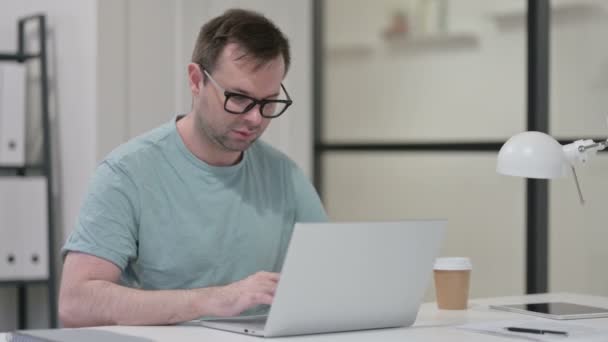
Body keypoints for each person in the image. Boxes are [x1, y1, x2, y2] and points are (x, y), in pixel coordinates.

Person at [58, 8, 327, 327]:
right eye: (239, 98)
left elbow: (331, 275)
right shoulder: (127, 173)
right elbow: (75, 303)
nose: (256, 118)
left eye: (269, 102)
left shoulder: (285, 176)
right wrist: (213, 299)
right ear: (196, 80)